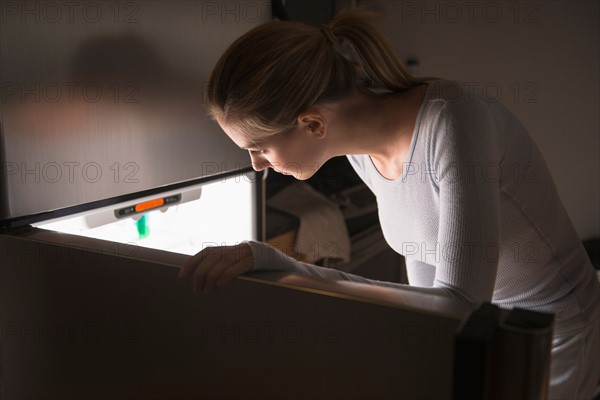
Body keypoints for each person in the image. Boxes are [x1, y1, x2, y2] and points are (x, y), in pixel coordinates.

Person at [179, 9, 600, 399]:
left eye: (259, 149)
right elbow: (430, 307)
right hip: (486, 335)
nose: (256, 166)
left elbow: (457, 304)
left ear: (312, 123)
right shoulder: (363, 152)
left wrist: (279, 263)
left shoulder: (455, 122)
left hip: (554, 339)